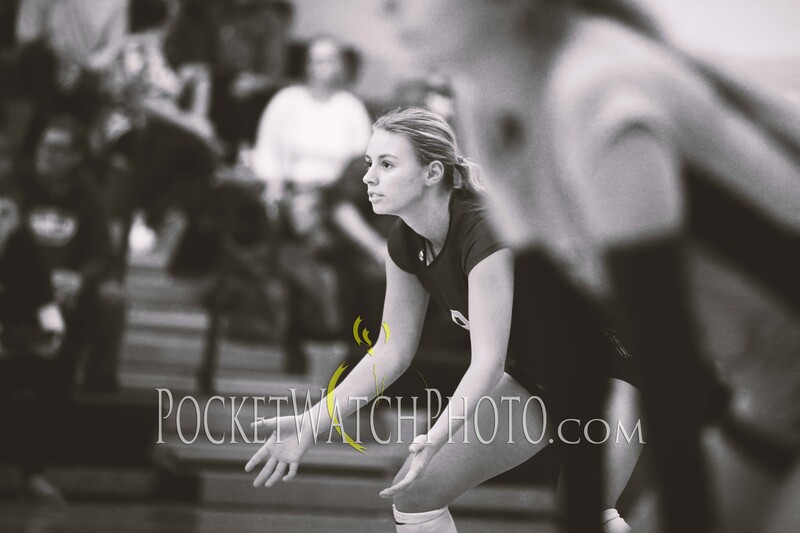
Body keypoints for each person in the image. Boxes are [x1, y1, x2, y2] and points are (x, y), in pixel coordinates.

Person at [380, 1, 800, 532]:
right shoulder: (487, 104)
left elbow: (668, 363)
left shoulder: (598, 90)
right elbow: (571, 354)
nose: (386, 9)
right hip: (771, 393)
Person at [245, 107, 644, 533]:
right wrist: (314, 421)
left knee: (586, 512)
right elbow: (391, 350)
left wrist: (434, 436)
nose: (368, 177)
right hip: (539, 377)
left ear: (432, 172)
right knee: (416, 496)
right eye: (368, 163)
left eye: (386, 164)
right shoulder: (404, 239)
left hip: (617, 370)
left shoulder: (484, 230)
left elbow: (486, 363)